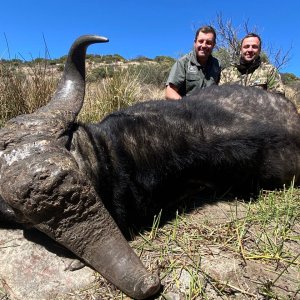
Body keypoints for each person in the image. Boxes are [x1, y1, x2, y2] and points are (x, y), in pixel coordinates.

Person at [165, 25, 221, 100]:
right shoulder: (183, 63)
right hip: (186, 108)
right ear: (195, 43)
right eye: (201, 41)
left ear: (213, 45)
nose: (204, 45)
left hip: (209, 107)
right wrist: (186, 106)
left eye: (208, 42)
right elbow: (169, 91)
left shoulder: (217, 64)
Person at [219, 33, 285, 95]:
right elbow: (219, 97)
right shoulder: (226, 73)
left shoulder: (270, 70)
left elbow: (278, 97)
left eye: (254, 47)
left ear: (259, 50)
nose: (250, 50)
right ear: (241, 50)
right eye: (246, 46)